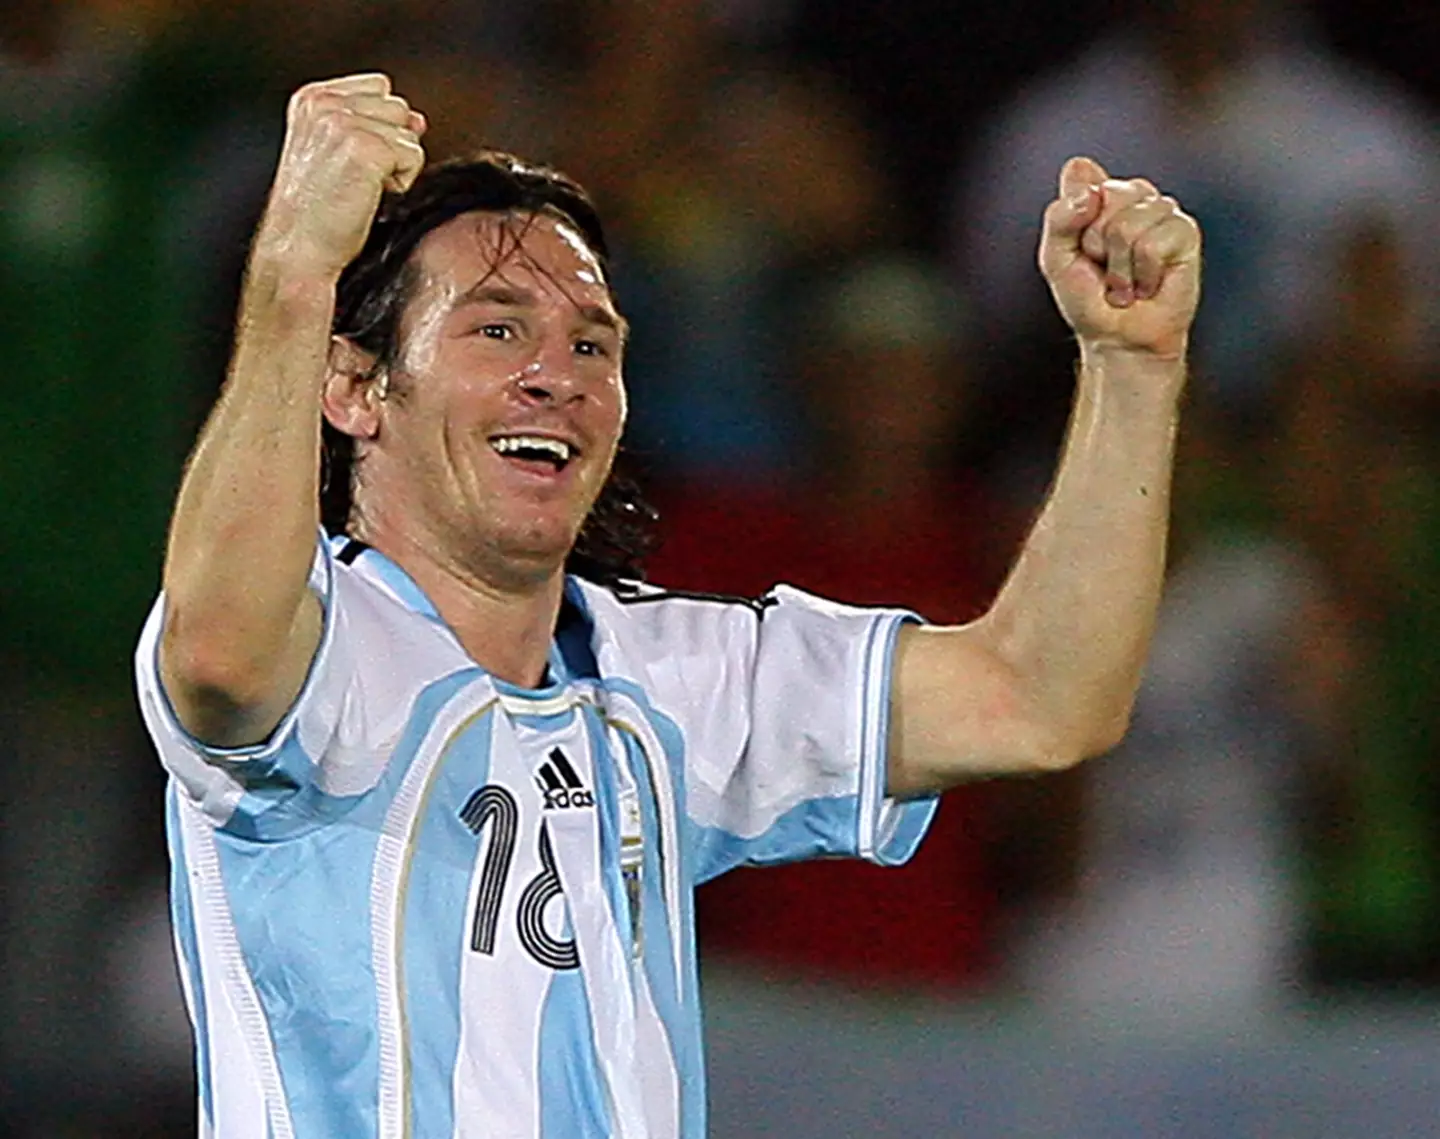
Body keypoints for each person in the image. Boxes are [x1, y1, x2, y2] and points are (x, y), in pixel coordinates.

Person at [133, 73, 1200, 1138]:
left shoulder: (669, 674)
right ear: (357, 387)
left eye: (592, 343)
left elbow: (1039, 697)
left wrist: (1131, 366)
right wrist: (295, 273)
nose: (557, 374)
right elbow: (221, 649)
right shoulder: (322, 643)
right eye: (498, 331)